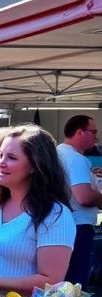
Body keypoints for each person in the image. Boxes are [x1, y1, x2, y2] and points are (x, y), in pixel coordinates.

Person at [0, 125, 75, 297]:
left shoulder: (55, 213)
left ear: (34, 165)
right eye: (0, 155)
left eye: (11, 157)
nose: (0, 163)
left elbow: (51, 281)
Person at [57, 115, 101, 286]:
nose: (96, 137)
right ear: (79, 132)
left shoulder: (58, 152)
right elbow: (83, 197)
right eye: (93, 132)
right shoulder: (76, 159)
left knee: (63, 284)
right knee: (74, 286)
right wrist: (99, 196)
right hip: (79, 227)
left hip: (64, 225)